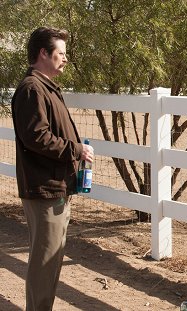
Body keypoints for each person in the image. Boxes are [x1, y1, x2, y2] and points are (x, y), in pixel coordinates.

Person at [11, 27, 94, 310]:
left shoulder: (44, 87)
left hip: (53, 185)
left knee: (51, 259)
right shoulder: (33, 89)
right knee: (45, 262)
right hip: (44, 188)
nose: (65, 59)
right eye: (61, 54)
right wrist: (76, 150)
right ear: (43, 53)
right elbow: (37, 136)